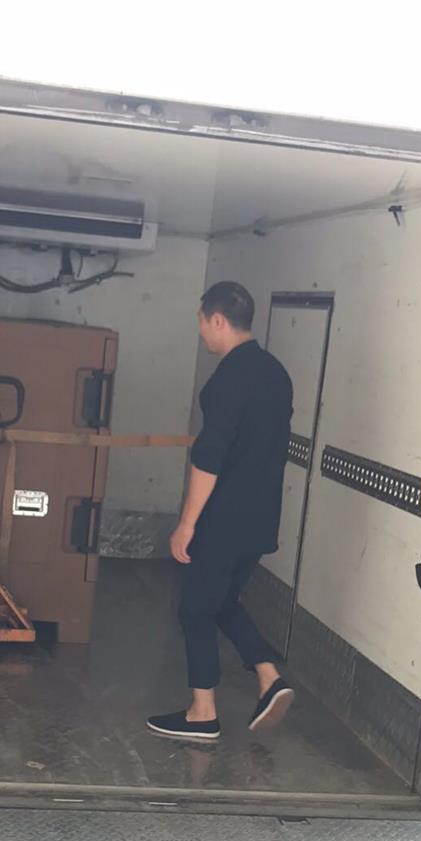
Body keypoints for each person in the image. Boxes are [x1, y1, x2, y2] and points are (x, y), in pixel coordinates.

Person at [148, 281, 295, 743]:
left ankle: (202, 713)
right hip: (261, 517)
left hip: (224, 517)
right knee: (221, 601)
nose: (201, 334)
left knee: (195, 607)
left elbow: (209, 458)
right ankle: (269, 676)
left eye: (202, 324)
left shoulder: (228, 379)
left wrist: (186, 524)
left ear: (217, 320)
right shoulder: (276, 374)